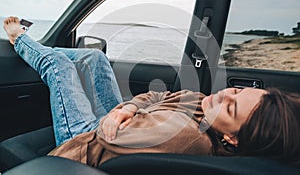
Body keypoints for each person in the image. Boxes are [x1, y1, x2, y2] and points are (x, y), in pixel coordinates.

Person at [3, 17, 300, 166]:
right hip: (118, 125)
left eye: (232, 107)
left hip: (83, 147)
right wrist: (127, 109)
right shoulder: (206, 107)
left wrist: (123, 117)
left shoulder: (187, 137)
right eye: (236, 90)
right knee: (95, 57)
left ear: (231, 139)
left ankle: (20, 38)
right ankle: (39, 47)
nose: (224, 95)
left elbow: (109, 136)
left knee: (59, 68)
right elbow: (156, 97)